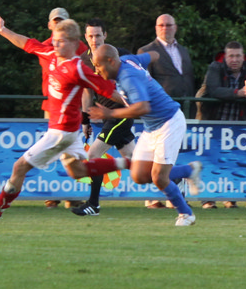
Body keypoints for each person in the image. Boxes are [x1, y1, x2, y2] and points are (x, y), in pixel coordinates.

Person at [0, 20, 127, 223]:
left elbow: (108, 90)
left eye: (61, 41)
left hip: (61, 133)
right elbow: (26, 43)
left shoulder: (78, 68)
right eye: (55, 40)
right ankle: (127, 162)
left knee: (19, 167)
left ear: (73, 43)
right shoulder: (51, 54)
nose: (56, 44)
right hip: (70, 132)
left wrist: (138, 105)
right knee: (78, 171)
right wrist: (2, 30)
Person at [89, 46, 204, 226]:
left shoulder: (128, 77)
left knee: (159, 178)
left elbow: (143, 107)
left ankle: (186, 214)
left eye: (98, 65)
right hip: (152, 127)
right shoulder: (128, 60)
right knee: (139, 175)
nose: (96, 70)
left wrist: (110, 113)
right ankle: (188, 171)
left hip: (169, 122)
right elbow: (154, 55)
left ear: (110, 61)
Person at [0, 8, 91, 207]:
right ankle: (54, 195)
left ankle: (68, 195)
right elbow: (25, 43)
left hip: (71, 112)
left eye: (62, 21)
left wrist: (86, 113)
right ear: (49, 25)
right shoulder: (47, 48)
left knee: (54, 159)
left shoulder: (79, 48)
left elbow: (89, 78)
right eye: (56, 21)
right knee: (59, 159)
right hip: (52, 108)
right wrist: (2, 30)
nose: (59, 25)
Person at [73, 20, 134, 216]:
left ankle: (93, 204)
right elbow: (87, 92)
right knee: (135, 161)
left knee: (93, 156)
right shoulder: (83, 60)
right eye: (90, 36)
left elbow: (137, 76)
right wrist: (85, 120)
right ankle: (174, 176)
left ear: (105, 35)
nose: (94, 40)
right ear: (85, 37)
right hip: (108, 116)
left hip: (121, 114)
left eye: (98, 35)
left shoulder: (119, 54)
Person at [138, 13, 196, 114]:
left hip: (186, 107)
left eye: (168, 25)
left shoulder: (184, 50)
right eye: (161, 25)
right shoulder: (146, 51)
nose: (165, 28)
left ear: (175, 28)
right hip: (162, 108)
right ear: (156, 28)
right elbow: (144, 83)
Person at [196, 42, 246, 122]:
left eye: (238, 56)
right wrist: (237, 93)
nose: (234, 60)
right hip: (215, 120)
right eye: (231, 56)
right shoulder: (215, 66)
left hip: (241, 121)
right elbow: (213, 90)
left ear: (243, 57)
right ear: (225, 57)